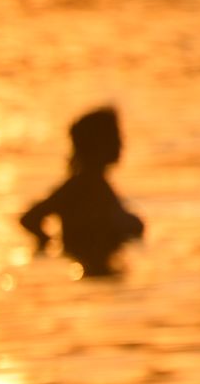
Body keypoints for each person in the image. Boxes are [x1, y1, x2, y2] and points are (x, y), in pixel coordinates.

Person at [19, 107, 145, 277]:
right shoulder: (83, 185)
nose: (122, 144)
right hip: (91, 261)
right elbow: (30, 218)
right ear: (98, 144)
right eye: (115, 137)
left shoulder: (95, 184)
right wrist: (48, 243)